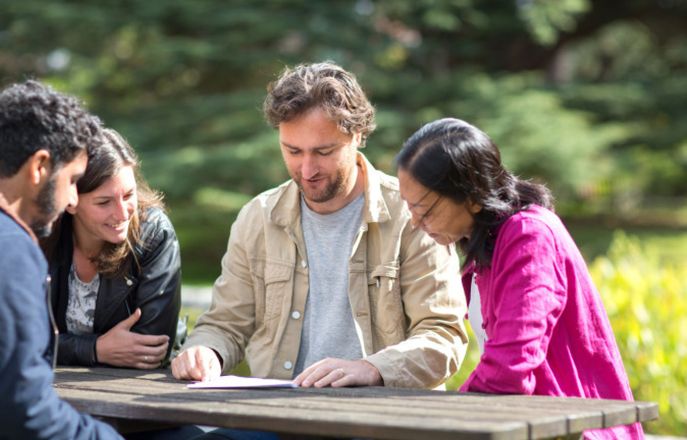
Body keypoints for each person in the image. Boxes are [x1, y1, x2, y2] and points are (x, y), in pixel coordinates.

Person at [172, 62, 467, 393]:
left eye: (323, 151)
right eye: (293, 151)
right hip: (274, 417)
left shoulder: (410, 214)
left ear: (357, 135)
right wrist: (206, 351)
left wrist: (372, 368)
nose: (307, 169)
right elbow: (225, 324)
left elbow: (443, 336)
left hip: (382, 419)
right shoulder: (258, 217)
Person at [396, 117, 643, 439]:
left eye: (425, 210)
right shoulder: (488, 246)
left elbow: (510, 367)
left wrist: (447, 416)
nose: (415, 223)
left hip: (576, 430)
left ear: (473, 195)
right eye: (409, 208)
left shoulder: (529, 235)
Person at [0, 79, 121, 438]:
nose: (71, 199)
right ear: (40, 167)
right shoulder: (11, 250)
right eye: (73, 179)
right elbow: (23, 412)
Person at [42, 128, 182, 369]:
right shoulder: (39, 234)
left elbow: (150, 348)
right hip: (50, 386)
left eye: (129, 195)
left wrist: (65, 348)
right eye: (104, 202)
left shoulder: (154, 234)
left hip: (137, 390)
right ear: (70, 201)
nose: (122, 213)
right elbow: (15, 339)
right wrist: (94, 349)